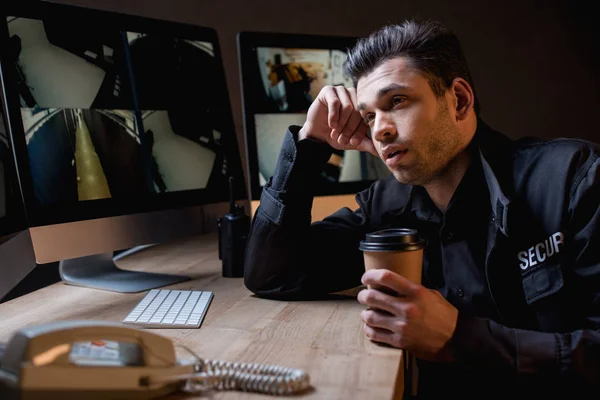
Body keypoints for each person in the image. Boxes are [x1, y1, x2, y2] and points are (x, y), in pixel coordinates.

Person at [243, 19, 600, 397]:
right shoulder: (385, 206)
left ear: (459, 100)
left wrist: (460, 337)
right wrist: (310, 143)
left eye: (395, 102)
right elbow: (272, 274)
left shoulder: (575, 180)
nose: (379, 129)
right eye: (368, 116)